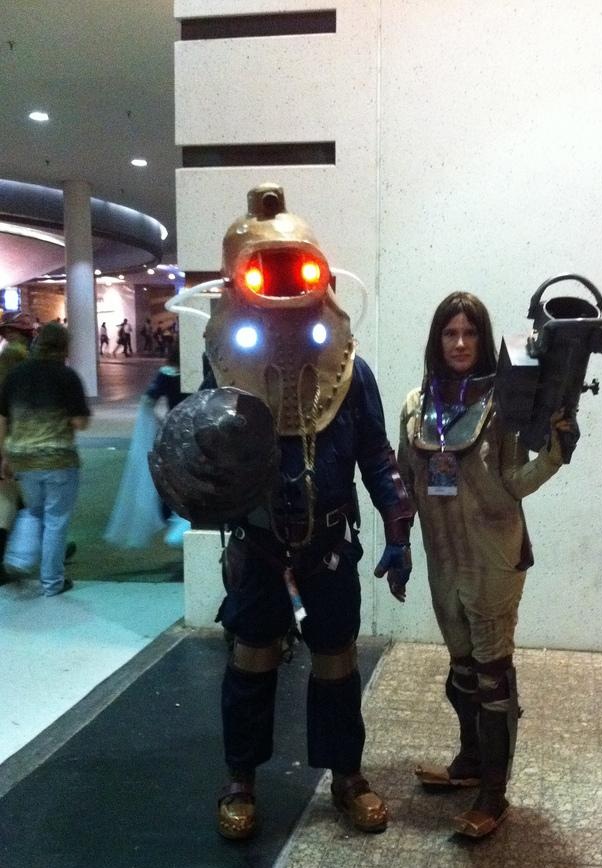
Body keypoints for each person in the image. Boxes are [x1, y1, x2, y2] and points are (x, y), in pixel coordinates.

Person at [183, 184, 414, 841]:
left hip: (330, 541)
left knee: (335, 660)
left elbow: (376, 455)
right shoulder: (225, 365)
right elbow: (205, 449)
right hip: (258, 542)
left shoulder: (351, 371)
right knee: (251, 659)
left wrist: (397, 529)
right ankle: (241, 780)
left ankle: (346, 777)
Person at [397, 292, 574, 839]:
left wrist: (552, 455)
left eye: (470, 333)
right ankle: (471, 763)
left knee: (493, 678)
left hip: (494, 557)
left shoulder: (504, 404)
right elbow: (404, 481)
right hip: (442, 558)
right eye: (450, 333)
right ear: (437, 340)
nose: (459, 344)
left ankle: (494, 797)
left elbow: (513, 483)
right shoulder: (415, 404)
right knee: (462, 674)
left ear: (483, 339)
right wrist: (398, 542)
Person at [0, 322, 90, 596]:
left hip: (22, 459)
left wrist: (3, 455)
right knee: (56, 520)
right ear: (63, 347)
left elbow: (2, 419)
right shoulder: (66, 376)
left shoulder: (16, 375)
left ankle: (19, 557)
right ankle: (52, 582)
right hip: (57, 459)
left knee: (34, 512)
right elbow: (80, 422)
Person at [104, 343, 189, 550]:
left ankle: (178, 522)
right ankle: (185, 526)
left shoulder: (168, 373)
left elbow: (147, 400)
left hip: (175, 434)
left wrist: (162, 422)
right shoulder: (201, 371)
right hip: (199, 435)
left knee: (174, 483)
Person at [0, 313, 35, 584]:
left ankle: (47, 543)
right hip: (10, 442)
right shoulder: (19, 359)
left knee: (18, 501)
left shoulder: (7, 357)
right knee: (9, 503)